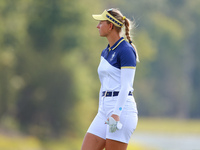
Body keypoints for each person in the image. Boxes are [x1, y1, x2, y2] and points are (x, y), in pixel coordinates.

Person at [81, 8, 139, 150]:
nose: (97, 26)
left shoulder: (125, 50)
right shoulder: (105, 52)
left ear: (111, 26)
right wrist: (102, 109)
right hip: (104, 110)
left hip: (121, 111)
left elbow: (126, 86)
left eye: (101, 22)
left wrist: (116, 113)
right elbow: (104, 85)